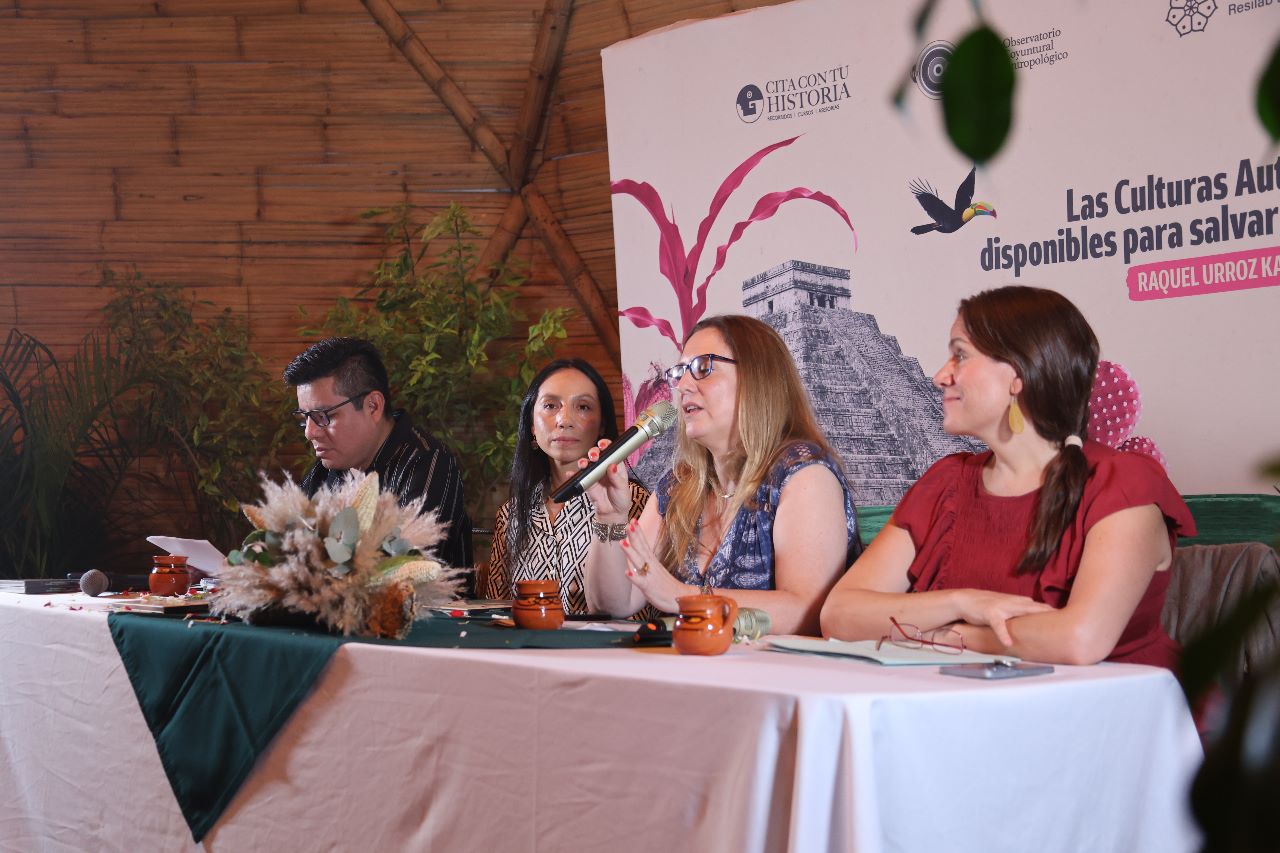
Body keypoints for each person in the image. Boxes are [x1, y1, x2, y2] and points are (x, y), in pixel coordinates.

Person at [820, 285, 1195, 668]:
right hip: (971, 700)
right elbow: (840, 615)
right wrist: (963, 602)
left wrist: (951, 636)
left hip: (1122, 703)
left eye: (960, 355)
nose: (940, 376)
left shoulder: (1123, 482)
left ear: (1018, 375)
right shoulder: (946, 482)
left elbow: (1080, 640)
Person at [583, 314, 862, 636]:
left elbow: (807, 612)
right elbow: (613, 605)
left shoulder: (803, 474)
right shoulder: (679, 485)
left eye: (703, 367)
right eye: (680, 373)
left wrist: (683, 596)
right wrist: (610, 516)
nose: (683, 386)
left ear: (757, 378)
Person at [284, 337, 472, 571]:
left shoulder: (428, 462)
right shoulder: (326, 471)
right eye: (305, 418)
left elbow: (399, 570)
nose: (310, 433)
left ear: (372, 406)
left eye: (323, 417)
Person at [479, 359, 649, 614]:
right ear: (531, 425)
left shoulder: (636, 503)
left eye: (583, 407)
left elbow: (645, 606)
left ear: (602, 424)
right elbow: (497, 610)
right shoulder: (510, 514)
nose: (564, 420)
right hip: (528, 641)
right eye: (550, 405)